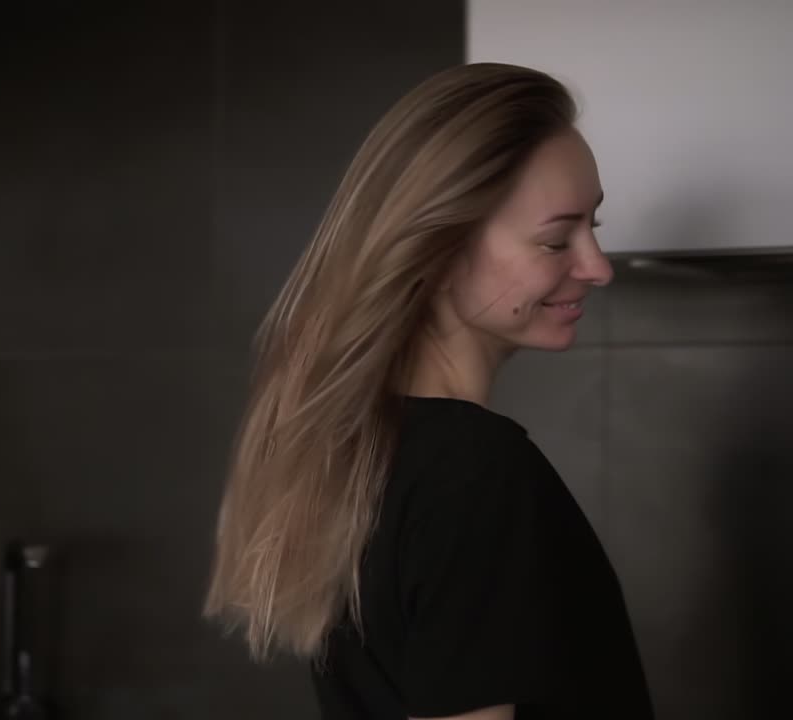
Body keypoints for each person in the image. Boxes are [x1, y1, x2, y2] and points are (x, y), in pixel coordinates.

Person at [203, 63, 653, 720]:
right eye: (557, 238)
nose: (597, 267)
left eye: (595, 228)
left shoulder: (366, 451)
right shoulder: (474, 469)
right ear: (439, 248)